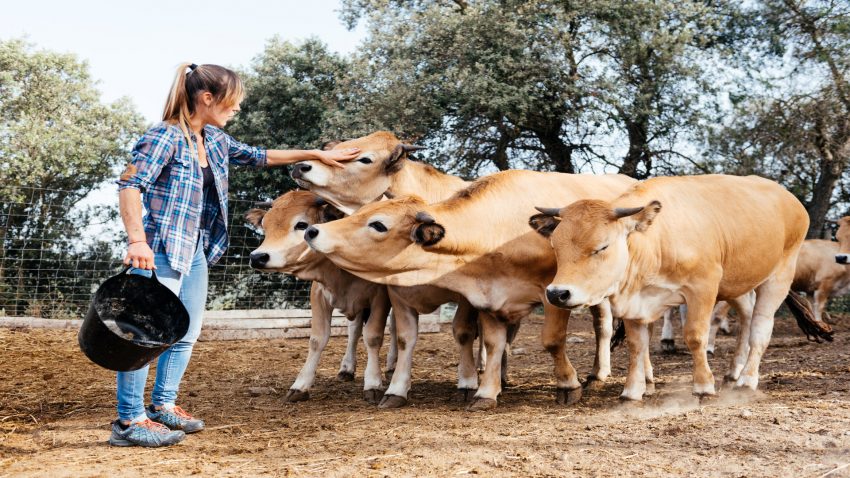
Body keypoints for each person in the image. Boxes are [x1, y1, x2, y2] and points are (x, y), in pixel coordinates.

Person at [111, 63, 359, 447]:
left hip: (195, 249)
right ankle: (129, 421)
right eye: (234, 103)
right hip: (159, 247)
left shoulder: (213, 140)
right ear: (207, 99)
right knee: (146, 334)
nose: (237, 110)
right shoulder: (165, 136)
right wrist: (136, 241)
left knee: (186, 332)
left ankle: (164, 405)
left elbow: (262, 156)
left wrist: (316, 154)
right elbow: (130, 185)